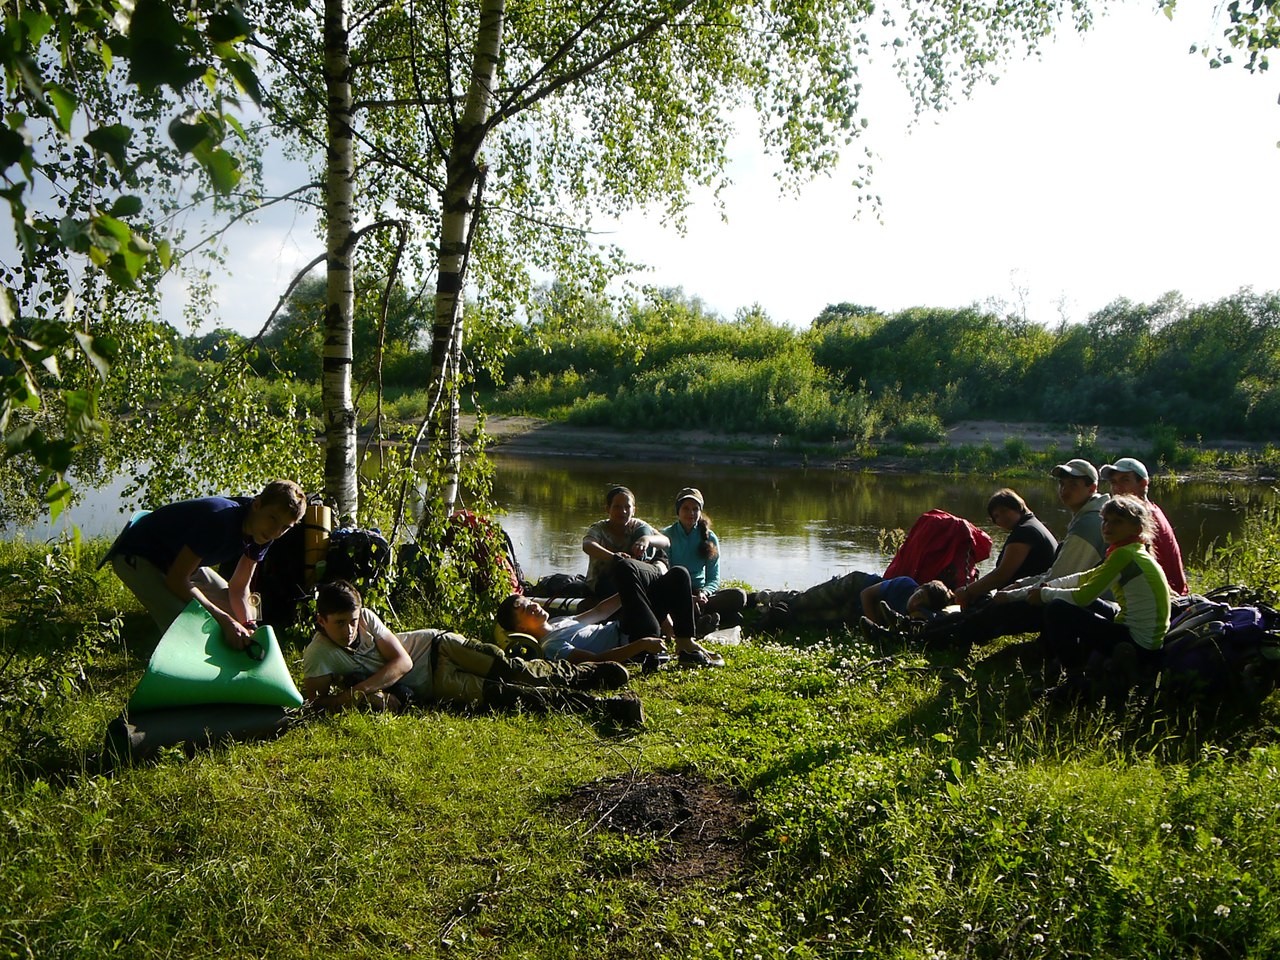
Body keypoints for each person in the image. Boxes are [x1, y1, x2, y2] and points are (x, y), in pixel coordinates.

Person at [303, 580, 642, 725]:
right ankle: (604, 707)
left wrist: (358, 691)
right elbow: (316, 703)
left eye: (353, 620)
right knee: (509, 696)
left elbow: (402, 660)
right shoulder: (318, 654)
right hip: (435, 683)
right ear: (321, 620)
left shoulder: (367, 619)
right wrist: (350, 699)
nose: (350, 629)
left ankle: (591, 674)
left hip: (437, 644)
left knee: (516, 670)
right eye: (340, 623)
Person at [105, 479, 307, 648]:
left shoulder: (263, 533)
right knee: (191, 624)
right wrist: (224, 620)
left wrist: (249, 625)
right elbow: (177, 580)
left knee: (242, 611)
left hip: (178, 561)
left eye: (285, 527)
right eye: (273, 519)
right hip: (139, 556)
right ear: (257, 504)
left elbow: (240, 587)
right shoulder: (221, 520)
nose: (275, 531)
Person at [937, 459, 1109, 646]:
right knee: (986, 610)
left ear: (1092, 488)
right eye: (1062, 484)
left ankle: (935, 637)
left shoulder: (1085, 525)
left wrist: (1010, 593)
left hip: (1085, 607)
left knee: (992, 614)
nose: (1065, 490)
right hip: (1065, 598)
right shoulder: (1087, 517)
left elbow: (1058, 578)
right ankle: (934, 631)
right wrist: (1018, 585)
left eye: (1073, 484)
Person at [1033, 494, 1172, 694]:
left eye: (1118, 522)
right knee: (1084, 603)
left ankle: (1074, 683)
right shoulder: (1132, 550)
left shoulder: (1124, 554)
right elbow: (1087, 576)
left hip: (1138, 644)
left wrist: (1044, 595)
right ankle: (1079, 666)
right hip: (1146, 639)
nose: (1108, 526)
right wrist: (1052, 585)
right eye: (1105, 520)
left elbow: (1083, 596)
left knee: (1057, 609)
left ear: (1137, 529)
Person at [497, 556, 726, 667]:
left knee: (678, 574)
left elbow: (600, 611)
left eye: (530, 602)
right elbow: (596, 660)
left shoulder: (558, 623)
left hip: (629, 624)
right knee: (624, 567)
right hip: (633, 637)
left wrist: (633, 590)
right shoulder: (551, 647)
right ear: (521, 628)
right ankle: (656, 570)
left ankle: (685, 644)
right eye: (527, 609)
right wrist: (642, 644)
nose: (535, 605)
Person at [661, 486, 747, 634]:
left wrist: (704, 593)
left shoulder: (710, 537)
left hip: (701, 594)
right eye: (686, 508)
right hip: (676, 594)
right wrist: (688, 597)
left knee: (739, 596)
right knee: (673, 605)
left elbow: (713, 577)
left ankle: (705, 618)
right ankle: (709, 620)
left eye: (695, 509)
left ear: (700, 512)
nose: (691, 513)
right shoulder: (666, 535)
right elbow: (663, 575)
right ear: (678, 511)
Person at [951, 489, 1058, 607]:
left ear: (1018, 507)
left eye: (1004, 511)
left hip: (1024, 602)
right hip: (1025, 596)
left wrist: (967, 591)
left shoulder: (1025, 532)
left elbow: (1002, 575)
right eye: (996, 516)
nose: (1001, 518)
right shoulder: (1033, 525)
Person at [1100, 457, 1188, 596]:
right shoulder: (1148, 510)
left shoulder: (1143, 519)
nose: (1117, 488)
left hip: (1168, 600)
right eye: (1113, 482)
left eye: (1125, 480)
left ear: (1143, 483)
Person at [582, 485, 670, 599]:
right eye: (617, 507)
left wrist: (646, 539)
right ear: (608, 509)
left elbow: (666, 541)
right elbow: (587, 545)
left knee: (655, 548)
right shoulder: (599, 528)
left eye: (627, 507)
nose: (622, 511)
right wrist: (614, 557)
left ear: (633, 510)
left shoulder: (637, 525)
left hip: (631, 579)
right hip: (602, 583)